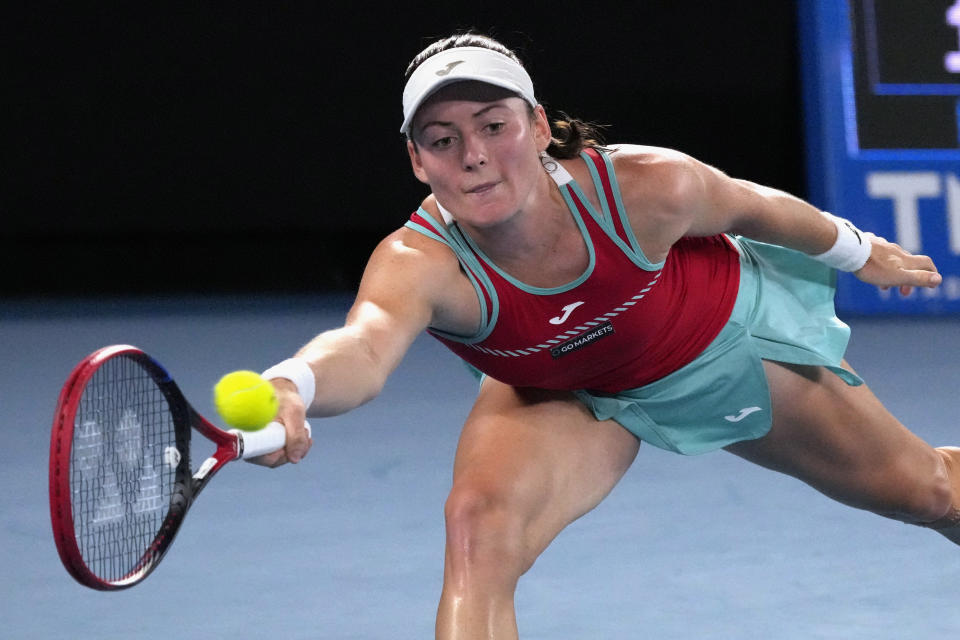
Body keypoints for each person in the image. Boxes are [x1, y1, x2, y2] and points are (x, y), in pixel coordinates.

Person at [253, 32, 957, 639]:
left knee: (929, 493)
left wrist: (861, 251)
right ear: (418, 161)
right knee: (479, 529)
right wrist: (295, 382)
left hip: (715, 348)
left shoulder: (647, 186)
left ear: (535, 125)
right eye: (442, 140)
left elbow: (754, 207)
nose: (471, 155)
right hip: (565, 391)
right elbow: (366, 346)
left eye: (493, 125)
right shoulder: (419, 261)